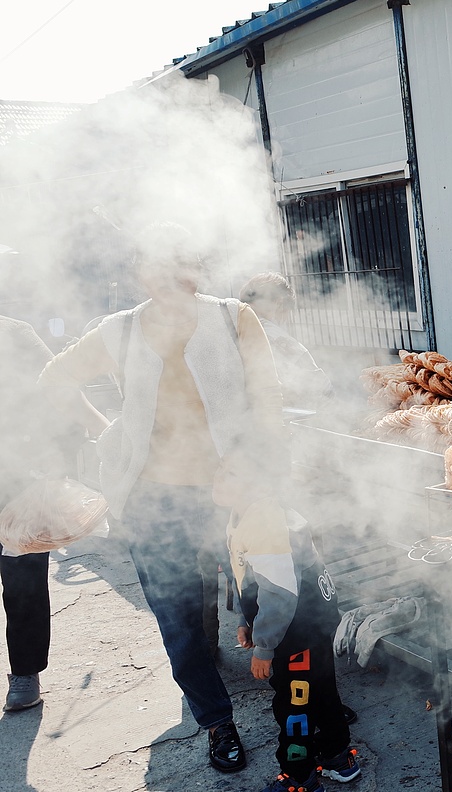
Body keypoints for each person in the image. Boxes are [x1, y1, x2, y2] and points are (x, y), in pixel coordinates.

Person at [39, 225, 287, 773]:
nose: (169, 277)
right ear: (139, 273)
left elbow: (268, 397)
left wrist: (259, 463)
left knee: (265, 598)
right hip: (152, 501)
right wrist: (109, 430)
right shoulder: (119, 330)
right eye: (155, 266)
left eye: (180, 265)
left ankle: (301, 700)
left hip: (233, 492)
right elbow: (55, 376)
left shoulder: (233, 317)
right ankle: (216, 720)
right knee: (177, 617)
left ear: (196, 269)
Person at [213, 447, 359, 792]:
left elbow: (279, 594)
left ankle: (300, 775)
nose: (218, 478)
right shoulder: (243, 513)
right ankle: (338, 757)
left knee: (295, 704)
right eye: (220, 469)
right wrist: (246, 618)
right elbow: (245, 573)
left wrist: (264, 646)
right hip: (308, 623)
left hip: (297, 630)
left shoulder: (265, 521)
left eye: (232, 474)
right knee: (320, 690)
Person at [0, 314, 108, 712]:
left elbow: (60, 390)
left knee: (23, 582)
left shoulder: (15, 332)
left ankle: (25, 672)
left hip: (18, 484)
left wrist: (56, 459)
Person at [238, 272, 333, 412]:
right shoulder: (272, 334)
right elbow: (322, 387)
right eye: (286, 311)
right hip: (271, 414)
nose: (284, 318)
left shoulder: (232, 324)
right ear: (279, 302)